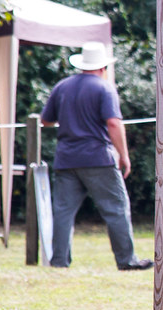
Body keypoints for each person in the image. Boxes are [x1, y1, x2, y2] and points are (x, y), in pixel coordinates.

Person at [41, 42, 153, 271]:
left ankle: (59, 261)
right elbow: (113, 123)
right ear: (103, 67)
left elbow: (46, 121)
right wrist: (124, 155)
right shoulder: (104, 88)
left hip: (66, 158)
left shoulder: (62, 87)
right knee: (116, 208)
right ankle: (127, 260)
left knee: (63, 212)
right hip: (98, 158)